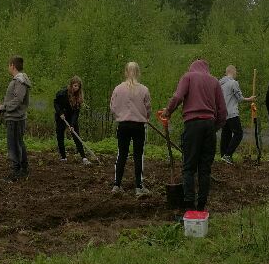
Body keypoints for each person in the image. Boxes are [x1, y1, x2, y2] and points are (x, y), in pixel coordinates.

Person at [163, 59, 228, 212]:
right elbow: (223, 111)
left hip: (192, 125)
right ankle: (201, 205)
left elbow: (178, 97)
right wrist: (214, 127)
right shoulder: (214, 81)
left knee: (189, 167)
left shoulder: (188, 77)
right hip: (209, 125)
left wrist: (168, 111)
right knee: (205, 168)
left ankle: (189, 204)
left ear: (192, 68)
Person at [109, 61, 152, 196]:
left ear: (126, 72)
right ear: (138, 72)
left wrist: (120, 115)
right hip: (138, 126)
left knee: (122, 154)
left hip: (123, 125)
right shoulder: (144, 89)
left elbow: (113, 107)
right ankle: (138, 187)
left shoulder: (118, 89)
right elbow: (148, 108)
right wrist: (146, 117)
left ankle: (117, 185)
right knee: (138, 155)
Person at [0, 55, 32, 181]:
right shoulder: (18, 80)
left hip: (16, 118)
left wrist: (4, 107)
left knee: (14, 145)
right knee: (18, 143)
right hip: (15, 117)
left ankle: (16, 172)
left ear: (12, 65)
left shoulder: (20, 81)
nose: (8, 67)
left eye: (9, 65)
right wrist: (3, 108)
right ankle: (23, 169)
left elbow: (18, 100)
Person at [218, 65, 254, 163]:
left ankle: (223, 155)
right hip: (232, 113)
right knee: (239, 134)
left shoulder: (220, 84)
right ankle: (228, 155)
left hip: (223, 113)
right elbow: (240, 98)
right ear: (233, 72)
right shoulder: (233, 83)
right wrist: (249, 99)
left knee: (226, 134)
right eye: (236, 72)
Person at [54, 75, 91, 165]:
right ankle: (63, 157)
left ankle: (84, 157)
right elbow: (56, 103)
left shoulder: (78, 96)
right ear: (71, 85)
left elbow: (76, 112)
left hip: (71, 117)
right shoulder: (62, 93)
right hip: (61, 116)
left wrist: (72, 124)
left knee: (76, 136)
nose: (76, 88)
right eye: (75, 86)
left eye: (78, 86)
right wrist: (60, 113)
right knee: (60, 136)